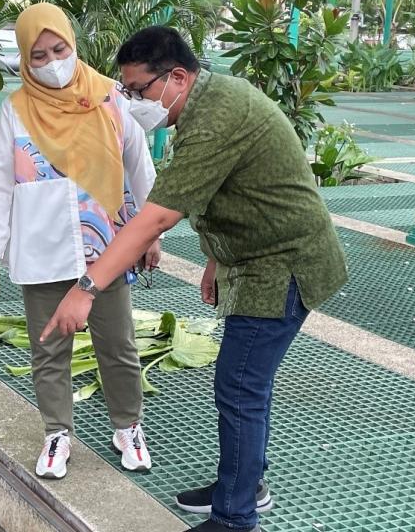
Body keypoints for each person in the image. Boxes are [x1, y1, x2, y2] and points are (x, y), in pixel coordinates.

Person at [40, 26, 348, 532]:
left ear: (177, 77)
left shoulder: (214, 120)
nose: (134, 101)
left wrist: (86, 288)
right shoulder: (209, 100)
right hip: (256, 258)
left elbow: (156, 218)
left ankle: (235, 516)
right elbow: (235, 187)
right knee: (246, 384)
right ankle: (243, 484)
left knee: (240, 385)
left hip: (283, 267)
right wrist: (215, 258)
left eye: (139, 91)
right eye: (128, 92)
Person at [0, 3, 161, 481]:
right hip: (43, 249)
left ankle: (128, 427)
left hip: (108, 248)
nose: (52, 62)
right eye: (38, 55)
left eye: (59, 49)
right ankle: (57, 432)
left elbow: (140, 167)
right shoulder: (15, 111)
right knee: (49, 349)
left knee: (117, 345)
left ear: (72, 44)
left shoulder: (109, 97)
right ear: (24, 59)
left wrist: (150, 236)